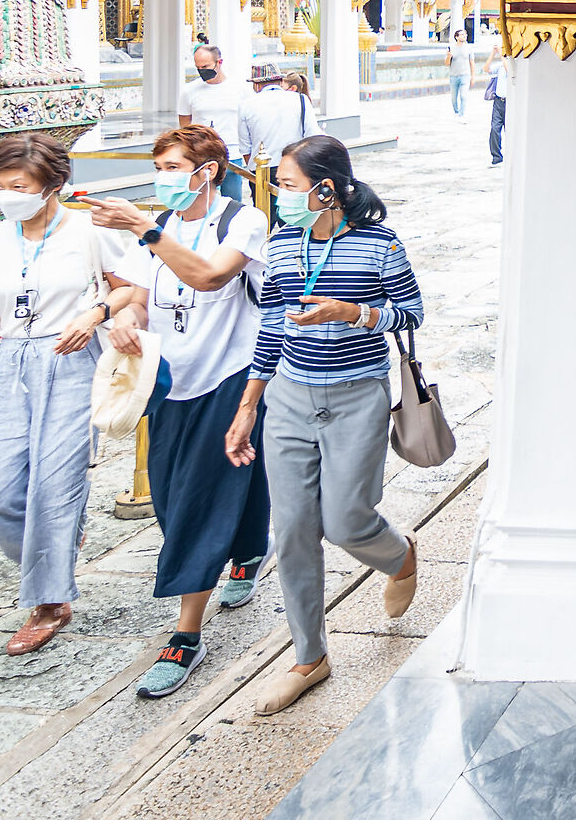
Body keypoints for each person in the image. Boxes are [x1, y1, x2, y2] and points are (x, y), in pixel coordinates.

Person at [233, 135, 424, 715]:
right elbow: (270, 327)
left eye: (288, 186)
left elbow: (411, 313)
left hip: (357, 396)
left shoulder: (378, 244)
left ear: (327, 188)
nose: (280, 197)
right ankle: (309, 656)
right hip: (289, 397)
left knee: (346, 521)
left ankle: (399, 555)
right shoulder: (283, 242)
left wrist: (353, 313)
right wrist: (248, 407)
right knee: (290, 530)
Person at [87, 126, 272, 699]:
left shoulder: (243, 221)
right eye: (159, 165)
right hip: (168, 379)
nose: (163, 176)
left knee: (199, 494)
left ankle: (185, 635)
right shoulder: (156, 226)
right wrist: (125, 320)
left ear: (207, 169)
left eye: (173, 166)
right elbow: (140, 296)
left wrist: (146, 228)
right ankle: (246, 549)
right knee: (172, 492)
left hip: (230, 372)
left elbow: (209, 275)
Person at [0, 132, 126, 655]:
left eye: (18, 185)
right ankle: (62, 539)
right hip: (10, 363)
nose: (8, 195)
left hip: (72, 358)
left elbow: (131, 288)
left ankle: (49, 602)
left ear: (53, 184)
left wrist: (95, 314)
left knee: (53, 486)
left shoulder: (90, 231)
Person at [179, 44, 253, 201]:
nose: (202, 71)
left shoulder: (239, 89)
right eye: (198, 67)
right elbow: (185, 126)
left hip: (232, 154)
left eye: (205, 66)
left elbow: (249, 122)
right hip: (201, 155)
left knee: (233, 202)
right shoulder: (189, 91)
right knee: (200, 201)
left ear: (219, 62)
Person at [242, 65, 318, 199]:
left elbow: (245, 146)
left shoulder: (246, 105)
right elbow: (312, 137)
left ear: (257, 85)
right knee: (292, 212)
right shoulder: (300, 99)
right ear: (281, 81)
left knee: (265, 215)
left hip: (262, 169)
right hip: (295, 165)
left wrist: (254, 168)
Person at [484, 44, 507, 167]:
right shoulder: (500, 66)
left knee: (509, 130)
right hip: (498, 101)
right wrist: (493, 54)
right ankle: (496, 156)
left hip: (510, 102)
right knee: (494, 129)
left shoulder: (512, 64)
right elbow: (486, 69)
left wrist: (502, 55)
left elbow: (510, 70)